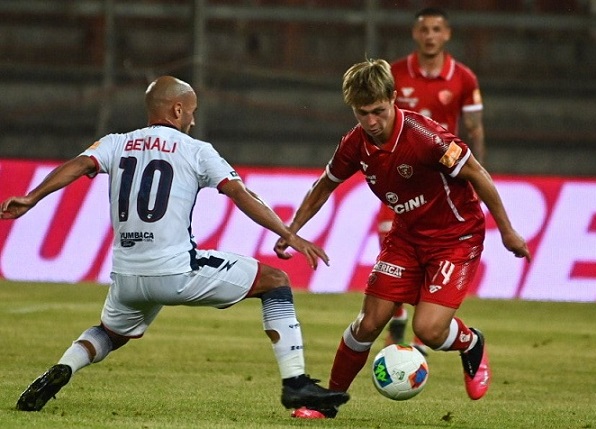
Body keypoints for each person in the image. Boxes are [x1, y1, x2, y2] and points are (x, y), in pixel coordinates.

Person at [2, 76, 349, 414]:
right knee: (276, 281)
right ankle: (295, 383)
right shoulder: (196, 150)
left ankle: (63, 367)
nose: (194, 120)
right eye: (193, 111)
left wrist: (32, 197)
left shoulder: (115, 142)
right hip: (175, 271)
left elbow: (77, 165)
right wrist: (289, 234)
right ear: (178, 110)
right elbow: (240, 194)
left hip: (126, 276)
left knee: (110, 332)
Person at [274, 59, 530, 419]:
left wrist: (506, 230)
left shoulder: (427, 137)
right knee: (367, 322)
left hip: (455, 238)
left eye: (379, 111)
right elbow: (324, 184)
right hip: (406, 238)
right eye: (363, 113)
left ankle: (471, 343)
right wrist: (292, 229)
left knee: (427, 328)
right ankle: (327, 402)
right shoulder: (355, 142)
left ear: (394, 98)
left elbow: (477, 174)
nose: (372, 121)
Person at [381, 7, 486, 353]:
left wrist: (476, 173)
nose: (430, 35)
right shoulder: (394, 74)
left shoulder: (463, 78)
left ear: (447, 34)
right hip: (399, 177)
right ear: (415, 34)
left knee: (436, 250)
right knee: (391, 243)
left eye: (436, 29)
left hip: (442, 183)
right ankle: (396, 314)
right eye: (424, 29)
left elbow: (474, 129)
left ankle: (424, 324)